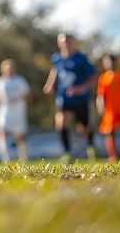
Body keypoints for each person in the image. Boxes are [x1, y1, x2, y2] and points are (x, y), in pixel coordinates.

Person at [43, 33, 97, 163]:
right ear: (59, 43)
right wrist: (50, 84)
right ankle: (67, 153)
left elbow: (93, 77)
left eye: (69, 42)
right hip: (64, 98)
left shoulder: (81, 59)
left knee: (84, 128)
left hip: (81, 99)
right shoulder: (57, 58)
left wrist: (81, 89)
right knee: (61, 123)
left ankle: (91, 147)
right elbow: (55, 70)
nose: (66, 44)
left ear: (74, 43)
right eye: (63, 42)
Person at [0, 59, 32, 162]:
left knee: (20, 136)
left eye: (11, 68)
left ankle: (24, 158)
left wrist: (16, 99)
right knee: (2, 133)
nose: (9, 70)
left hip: (18, 112)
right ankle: (6, 160)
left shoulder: (20, 80)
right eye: (7, 69)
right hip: (4, 112)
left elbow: (28, 96)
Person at [95, 54, 120, 163]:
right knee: (110, 132)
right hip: (111, 110)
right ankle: (113, 156)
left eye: (111, 61)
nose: (109, 63)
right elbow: (101, 95)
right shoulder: (103, 77)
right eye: (106, 61)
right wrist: (100, 106)